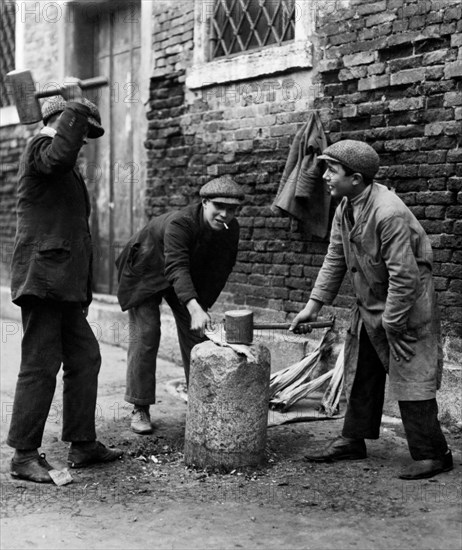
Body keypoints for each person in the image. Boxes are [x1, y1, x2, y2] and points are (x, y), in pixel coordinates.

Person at [290, 139, 452, 480]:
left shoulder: (388, 212)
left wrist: (392, 324)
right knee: (361, 370)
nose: (325, 177)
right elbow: (335, 258)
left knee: (411, 377)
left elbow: (405, 276)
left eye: (332, 171)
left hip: (407, 307)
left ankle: (433, 454)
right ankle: (353, 440)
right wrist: (312, 306)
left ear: (357, 178)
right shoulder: (345, 207)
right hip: (370, 305)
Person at [8, 80, 122, 483]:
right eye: (80, 133)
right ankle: (24, 455)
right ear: (61, 121)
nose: (83, 144)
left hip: (64, 282)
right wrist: (75, 106)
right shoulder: (40, 148)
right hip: (44, 278)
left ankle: (82, 443)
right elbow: (58, 156)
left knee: (85, 357)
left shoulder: (59, 160)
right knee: (40, 364)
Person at [115, 175, 243, 435]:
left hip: (180, 276)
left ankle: (200, 403)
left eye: (232, 209)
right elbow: (176, 266)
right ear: (204, 202)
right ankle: (140, 406)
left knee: (197, 333)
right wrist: (193, 306)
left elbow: (222, 268)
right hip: (146, 270)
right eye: (219, 206)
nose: (225, 214)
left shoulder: (232, 228)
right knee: (147, 335)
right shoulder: (180, 223)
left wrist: (202, 307)